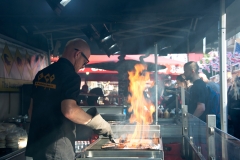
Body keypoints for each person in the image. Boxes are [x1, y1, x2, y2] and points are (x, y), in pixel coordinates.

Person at [26, 38, 113, 160]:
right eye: (85, 61)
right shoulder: (71, 76)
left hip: (37, 145)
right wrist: (98, 123)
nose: (83, 66)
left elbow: (31, 111)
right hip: (57, 148)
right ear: (77, 54)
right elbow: (70, 110)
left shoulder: (42, 74)